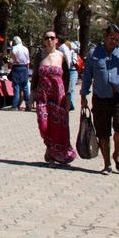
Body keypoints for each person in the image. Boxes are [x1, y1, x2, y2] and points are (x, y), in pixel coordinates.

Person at [80, 24, 119, 175]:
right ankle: (107, 163)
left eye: (117, 39)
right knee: (102, 133)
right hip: (100, 98)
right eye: (112, 38)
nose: (114, 41)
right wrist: (83, 95)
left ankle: (117, 154)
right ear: (105, 35)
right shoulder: (94, 53)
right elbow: (87, 75)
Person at [29, 30, 76, 167]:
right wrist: (32, 95)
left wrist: (68, 97)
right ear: (44, 40)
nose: (49, 40)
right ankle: (50, 148)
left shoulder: (61, 56)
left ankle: (53, 154)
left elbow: (67, 78)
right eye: (47, 38)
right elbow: (35, 77)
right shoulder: (39, 56)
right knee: (43, 125)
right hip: (43, 96)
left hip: (58, 97)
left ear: (56, 40)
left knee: (58, 128)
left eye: (52, 38)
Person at [9, 36, 31, 111]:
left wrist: (16, 59)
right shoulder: (25, 48)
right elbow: (28, 61)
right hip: (24, 67)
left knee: (16, 87)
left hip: (17, 67)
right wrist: (27, 71)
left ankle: (15, 105)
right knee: (25, 87)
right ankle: (28, 105)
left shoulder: (15, 47)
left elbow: (14, 53)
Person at [57, 36, 77, 111]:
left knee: (68, 89)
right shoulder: (62, 48)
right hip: (66, 70)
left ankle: (69, 104)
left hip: (66, 71)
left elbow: (67, 61)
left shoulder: (63, 49)